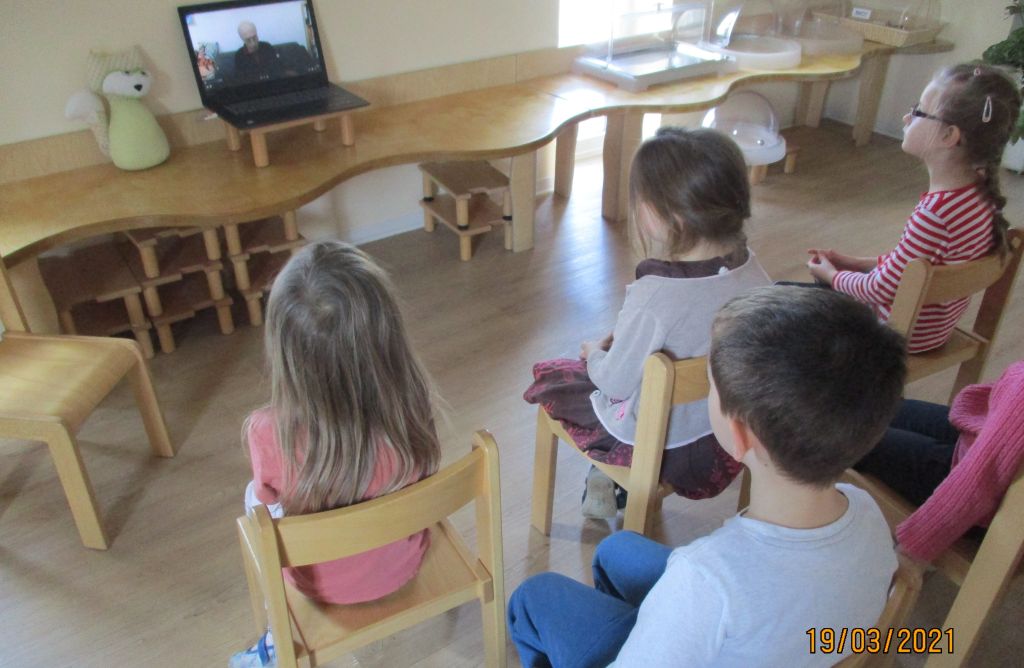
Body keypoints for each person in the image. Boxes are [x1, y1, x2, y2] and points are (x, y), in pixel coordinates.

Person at [508, 286, 907, 667]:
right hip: (770, 639)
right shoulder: (868, 511)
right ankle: (656, 632)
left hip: (704, 620)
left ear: (739, 435)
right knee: (618, 549)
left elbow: (705, 592)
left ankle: (655, 633)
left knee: (534, 596)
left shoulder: (703, 579)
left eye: (711, 387)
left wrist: (673, 624)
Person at [524, 127, 770, 519]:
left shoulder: (656, 294)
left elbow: (615, 381)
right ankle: (608, 482)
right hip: (728, 445)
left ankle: (608, 478)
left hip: (662, 451)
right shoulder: (756, 273)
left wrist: (593, 356)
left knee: (559, 377)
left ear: (660, 216)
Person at [229, 241, 442, 668]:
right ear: (387, 336)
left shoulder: (268, 432)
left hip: (318, 587)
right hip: (402, 563)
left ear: (284, 353)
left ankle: (275, 642)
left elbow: (267, 519)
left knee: (254, 506)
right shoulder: (411, 405)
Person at [807, 63, 1021, 354]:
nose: (907, 117)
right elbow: (913, 269)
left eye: (919, 111)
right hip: (931, 332)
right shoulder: (979, 196)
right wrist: (856, 263)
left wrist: (832, 276)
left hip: (894, 334)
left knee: (782, 301)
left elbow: (881, 290)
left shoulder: (935, 214)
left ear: (949, 136)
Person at [856, 360, 1024, 562]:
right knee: (870, 409)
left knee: (849, 436)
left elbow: (976, 483)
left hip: (983, 501)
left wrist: (912, 549)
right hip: (985, 435)